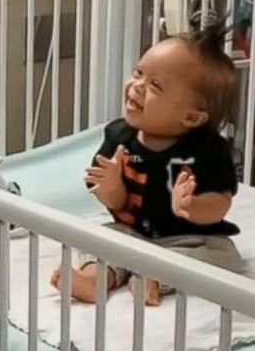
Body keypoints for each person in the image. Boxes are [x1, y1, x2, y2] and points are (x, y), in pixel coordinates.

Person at [53, 25, 242, 306]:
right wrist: (111, 188)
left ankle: (153, 278)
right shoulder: (119, 137)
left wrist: (192, 207)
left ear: (191, 118)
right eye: (139, 73)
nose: (137, 86)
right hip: (132, 233)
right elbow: (116, 202)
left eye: (155, 85)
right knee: (96, 236)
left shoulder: (208, 150)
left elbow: (221, 202)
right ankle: (96, 279)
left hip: (187, 238)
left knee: (223, 256)